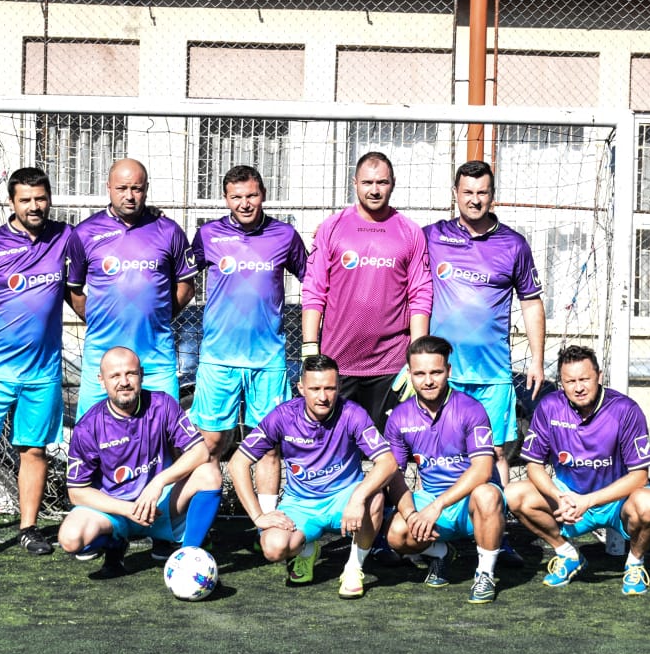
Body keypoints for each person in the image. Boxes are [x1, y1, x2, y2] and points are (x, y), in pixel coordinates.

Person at [0, 166, 82, 562]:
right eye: (26, 200)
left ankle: (28, 527)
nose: (34, 206)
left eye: (41, 198)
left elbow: (96, 244)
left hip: (42, 371)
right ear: (12, 202)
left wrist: (150, 217)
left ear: (50, 199)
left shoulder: (65, 238)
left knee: (34, 450)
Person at [228, 352, 397, 599]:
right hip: (301, 505)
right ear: (301, 388)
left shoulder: (353, 413)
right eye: (315, 388)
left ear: (339, 387)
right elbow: (237, 463)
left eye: (330, 388)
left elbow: (388, 462)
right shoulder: (282, 416)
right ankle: (306, 550)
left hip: (343, 500)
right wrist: (258, 516)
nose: (323, 396)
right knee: (273, 548)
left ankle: (354, 567)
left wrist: (358, 497)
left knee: (374, 498)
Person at [424, 160, 545, 488]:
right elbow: (395, 247)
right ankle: (441, 516)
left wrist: (536, 360)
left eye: (482, 193)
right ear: (455, 193)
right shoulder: (433, 236)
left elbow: (531, 303)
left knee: (495, 452)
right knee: (440, 449)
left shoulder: (514, 245)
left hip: (492, 372)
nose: (474, 200)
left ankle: (496, 519)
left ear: (492, 195)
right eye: (468, 192)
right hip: (443, 371)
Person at [506, 345, 650, 595]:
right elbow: (534, 465)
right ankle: (568, 554)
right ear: (562, 382)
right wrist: (558, 496)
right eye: (570, 381)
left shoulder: (625, 410)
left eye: (584, 379)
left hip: (616, 501)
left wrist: (588, 501)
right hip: (568, 497)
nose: (578, 387)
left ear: (599, 376)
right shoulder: (549, 407)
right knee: (514, 495)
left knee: (649, 504)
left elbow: (639, 476)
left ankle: (635, 563)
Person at [56, 347, 222, 574]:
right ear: (102, 381)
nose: (124, 382)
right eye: (115, 376)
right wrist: (127, 509)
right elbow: (77, 492)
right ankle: (115, 542)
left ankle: (188, 557)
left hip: (160, 504)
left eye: (131, 373)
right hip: (115, 511)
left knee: (209, 473)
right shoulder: (88, 427)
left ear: (141, 375)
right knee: (71, 538)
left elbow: (200, 452)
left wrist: (158, 482)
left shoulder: (162, 404)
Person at [300, 151, 432, 429]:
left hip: (391, 366)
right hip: (337, 363)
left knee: (389, 447)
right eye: (367, 182)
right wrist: (310, 348)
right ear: (355, 183)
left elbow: (420, 295)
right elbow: (314, 290)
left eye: (382, 182)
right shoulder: (332, 227)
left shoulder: (410, 232)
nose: (374, 190)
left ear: (393, 183)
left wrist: (417, 357)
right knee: (333, 443)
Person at [188, 164, 308, 469]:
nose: (244, 203)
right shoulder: (208, 235)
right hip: (218, 358)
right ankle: (202, 500)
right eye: (236, 197)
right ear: (226, 199)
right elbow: (181, 277)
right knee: (210, 444)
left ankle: (265, 503)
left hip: (267, 359)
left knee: (268, 447)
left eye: (251, 195)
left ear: (263, 194)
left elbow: (313, 281)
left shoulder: (285, 235)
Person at [69, 158, 197, 417]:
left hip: (156, 360)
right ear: (108, 187)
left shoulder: (169, 231)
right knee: (91, 433)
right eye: (122, 188)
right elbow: (72, 288)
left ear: (146, 188)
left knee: (164, 431)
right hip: (101, 358)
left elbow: (186, 286)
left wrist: (158, 316)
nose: (129, 196)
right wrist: (96, 317)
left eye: (136, 188)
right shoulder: (84, 233)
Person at [382, 336, 504, 604]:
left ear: (448, 371)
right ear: (409, 374)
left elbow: (483, 470)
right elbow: (394, 474)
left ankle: (485, 574)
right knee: (396, 533)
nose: (428, 381)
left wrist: (437, 506)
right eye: (420, 374)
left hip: (471, 503)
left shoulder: (471, 409)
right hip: (432, 500)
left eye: (435, 372)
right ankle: (441, 553)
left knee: (487, 494)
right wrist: (411, 514)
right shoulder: (399, 417)